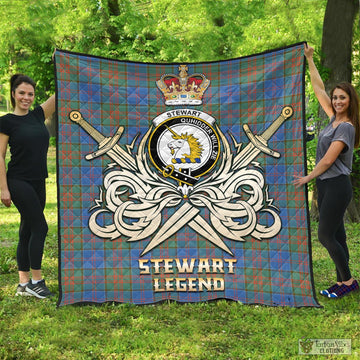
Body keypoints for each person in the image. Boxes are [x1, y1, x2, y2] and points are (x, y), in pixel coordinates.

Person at [294, 44, 359, 299]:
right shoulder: (333, 118)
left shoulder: (347, 127)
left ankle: (348, 281)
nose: (337, 101)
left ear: (350, 100)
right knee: (338, 235)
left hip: (336, 185)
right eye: (336, 98)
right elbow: (319, 88)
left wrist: (308, 177)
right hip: (326, 184)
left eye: (342, 98)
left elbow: (330, 159)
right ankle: (342, 281)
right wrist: (310, 59)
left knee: (324, 235)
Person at [0, 74, 55, 299]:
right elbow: (0, 155)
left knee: (27, 230)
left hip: (38, 180)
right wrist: (3, 189)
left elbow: (61, 92)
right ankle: (37, 280)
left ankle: (23, 283)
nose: (26, 97)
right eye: (21, 93)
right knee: (41, 227)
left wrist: (66, 65)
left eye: (30, 94)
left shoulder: (38, 115)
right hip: (18, 181)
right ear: (13, 93)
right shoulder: (6, 121)